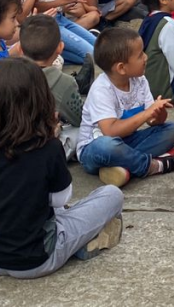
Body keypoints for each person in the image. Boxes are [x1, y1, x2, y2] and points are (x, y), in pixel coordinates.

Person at [0, 57, 124, 278]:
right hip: (38, 258)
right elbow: (60, 199)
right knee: (112, 195)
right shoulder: (47, 146)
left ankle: (79, 242)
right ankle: (79, 244)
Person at [77, 28, 174, 187]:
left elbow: (153, 122)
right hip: (94, 149)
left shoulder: (140, 80)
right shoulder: (101, 89)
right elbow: (110, 131)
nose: (146, 57)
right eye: (140, 55)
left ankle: (122, 166)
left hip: (127, 142)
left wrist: (158, 113)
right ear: (121, 68)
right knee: (107, 146)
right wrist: (147, 113)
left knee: (171, 130)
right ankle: (150, 166)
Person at [20, 14, 94, 158]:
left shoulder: (11, 75)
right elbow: (79, 119)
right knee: (89, 128)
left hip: (11, 145)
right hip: (42, 149)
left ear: (21, 49)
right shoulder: (63, 81)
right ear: (60, 47)